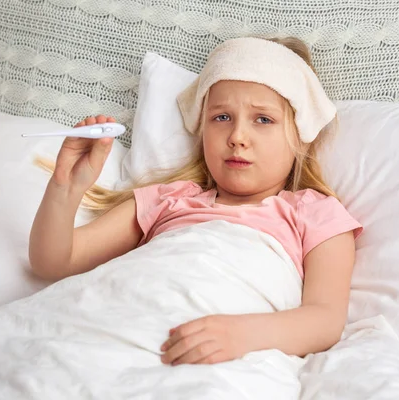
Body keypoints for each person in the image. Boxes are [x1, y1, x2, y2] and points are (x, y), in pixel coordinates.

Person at [29, 36, 362, 367]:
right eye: (221, 117)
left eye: (263, 119)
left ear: (299, 134)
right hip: (114, 322)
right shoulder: (169, 200)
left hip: (219, 346)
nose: (237, 137)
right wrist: (65, 188)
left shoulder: (313, 212)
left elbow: (325, 319)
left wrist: (242, 334)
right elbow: (54, 263)